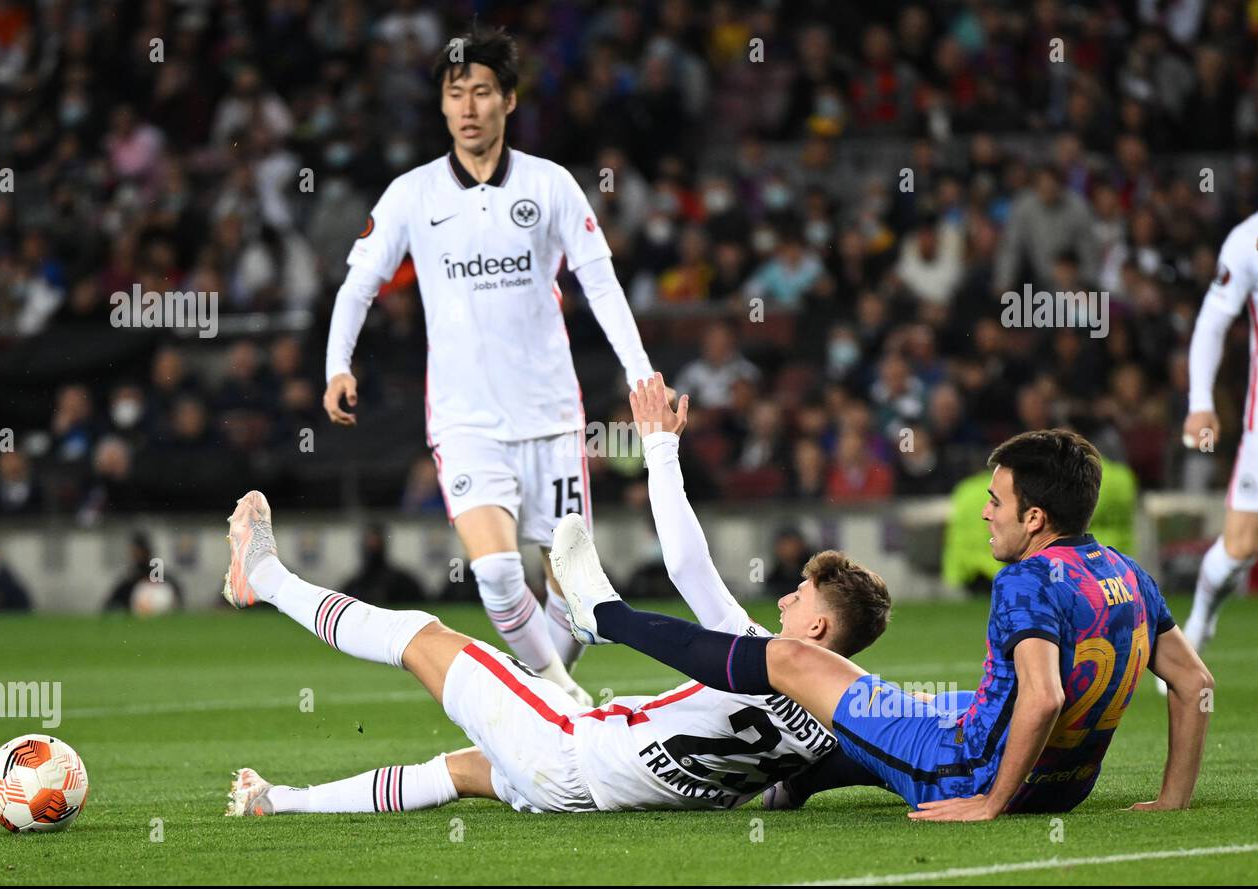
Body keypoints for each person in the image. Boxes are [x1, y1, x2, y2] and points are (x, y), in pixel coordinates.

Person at [554, 430, 1214, 820]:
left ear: (1035, 517)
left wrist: (989, 804)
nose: (985, 512)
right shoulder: (1128, 571)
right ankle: (800, 780)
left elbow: (1043, 696)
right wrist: (1172, 800)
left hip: (972, 775)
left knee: (791, 661)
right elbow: (1194, 681)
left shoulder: (1025, 579)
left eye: (996, 499)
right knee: (917, 706)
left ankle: (606, 616)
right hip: (1066, 786)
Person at [321, 24, 660, 706]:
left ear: (509, 99)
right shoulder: (413, 195)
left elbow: (599, 281)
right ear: (442, 107)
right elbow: (358, 283)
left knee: (577, 601)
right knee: (499, 577)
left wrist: (641, 373)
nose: (469, 106)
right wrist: (337, 365)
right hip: (466, 421)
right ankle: (564, 700)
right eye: (456, 93)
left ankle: (551, 698)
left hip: (552, 420)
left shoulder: (551, 184)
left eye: (482, 91)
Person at [221, 478, 892, 817]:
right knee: (457, 770)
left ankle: (266, 577)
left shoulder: (760, 652)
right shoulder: (830, 727)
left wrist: (659, 447)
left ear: (819, 631)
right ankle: (277, 800)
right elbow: (810, 778)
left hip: (571, 748)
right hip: (599, 792)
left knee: (421, 637)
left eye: (800, 596)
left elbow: (690, 568)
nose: (783, 601)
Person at [1178, 211, 1258, 692]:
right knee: (1241, 546)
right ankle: (1201, 619)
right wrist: (1201, 403)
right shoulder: (1248, 240)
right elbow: (1213, 320)